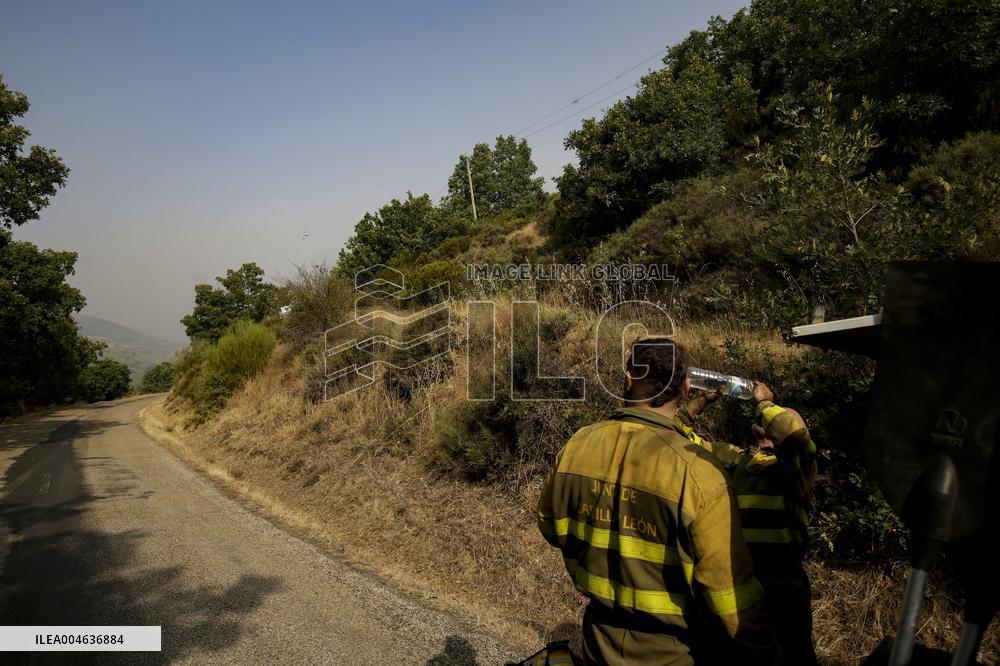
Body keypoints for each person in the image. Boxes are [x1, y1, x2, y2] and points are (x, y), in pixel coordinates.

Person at [536, 337, 780, 665]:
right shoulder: (699, 473)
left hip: (597, 643)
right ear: (684, 388)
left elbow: (549, 526)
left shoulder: (577, 446)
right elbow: (731, 599)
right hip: (674, 653)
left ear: (628, 380)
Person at [674, 375, 818, 665]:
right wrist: (698, 403)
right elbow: (678, 437)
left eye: (779, 418)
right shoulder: (737, 458)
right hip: (740, 585)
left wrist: (765, 402)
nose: (773, 420)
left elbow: (793, 436)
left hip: (783, 586)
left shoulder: (796, 467)